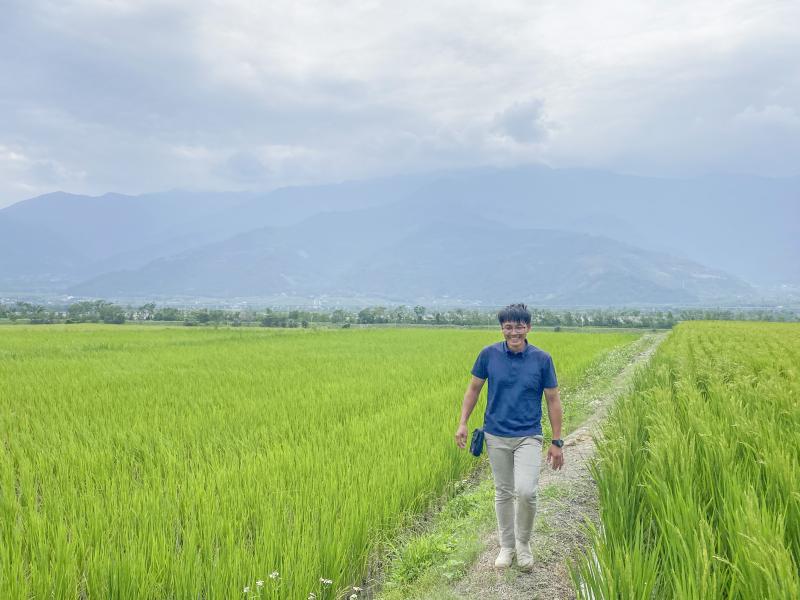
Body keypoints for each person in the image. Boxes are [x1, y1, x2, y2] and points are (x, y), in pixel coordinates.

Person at [455, 303, 564, 572]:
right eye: (508, 326)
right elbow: (473, 390)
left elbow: (553, 400)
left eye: (519, 326)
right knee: (503, 492)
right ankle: (506, 546)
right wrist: (463, 423)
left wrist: (557, 441)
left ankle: (523, 544)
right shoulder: (488, 355)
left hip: (528, 435)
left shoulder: (542, 359)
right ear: (502, 328)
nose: (513, 331)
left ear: (528, 327)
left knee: (526, 491)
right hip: (495, 435)